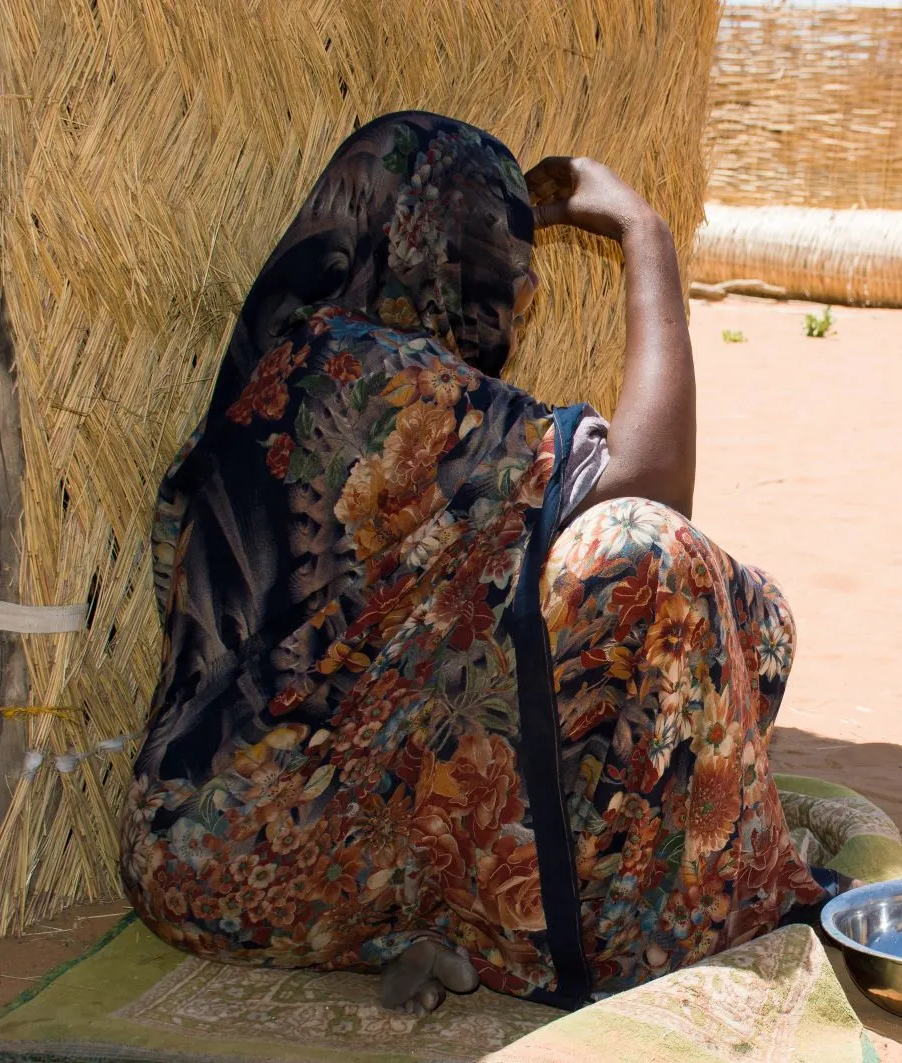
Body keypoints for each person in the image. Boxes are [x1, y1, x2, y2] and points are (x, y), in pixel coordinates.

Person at [120, 112, 833, 1016]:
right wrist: (646, 239)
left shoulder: (273, 375)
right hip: (268, 853)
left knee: (743, 615)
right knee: (654, 558)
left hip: (201, 863)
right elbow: (647, 493)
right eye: (503, 254)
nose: (522, 287)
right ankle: (549, 935)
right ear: (434, 237)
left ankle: (434, 928)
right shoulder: (356, 371)